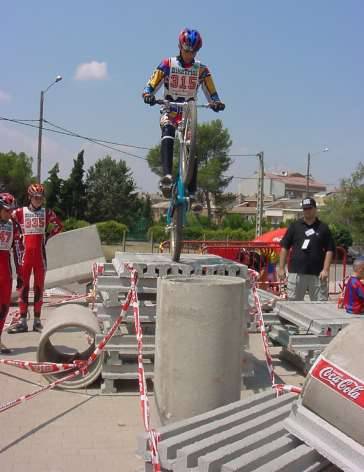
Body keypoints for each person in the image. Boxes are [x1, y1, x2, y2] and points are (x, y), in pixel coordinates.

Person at [142, 28, 225, 210]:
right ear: (180, 47)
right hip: (170, 108)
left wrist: (216, 102)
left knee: (191, 145)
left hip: (188, 113)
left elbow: (212, 91)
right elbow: (151, 84)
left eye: (193, 51)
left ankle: (193, 194)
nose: (189, 54)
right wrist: (148, 94)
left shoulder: (201, 69)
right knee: (168, 130)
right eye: (187, 50)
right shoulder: (167, 64)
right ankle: (166, 177)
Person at [8, 184, 63, 333]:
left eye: (40, 198)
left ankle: (37, 321)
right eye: (35, 197)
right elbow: (8, 223)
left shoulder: (47, 212)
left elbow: (59, 225)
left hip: (40, 257)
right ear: (29, 197)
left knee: (39, 288)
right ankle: (23, 321)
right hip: (24, 258)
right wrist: (17, 239)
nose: (38, 200)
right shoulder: (19, 212)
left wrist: (48, 237)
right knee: (23, 288)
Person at [278, 197, 335, 301]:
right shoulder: (294, 226)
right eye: (305, 209)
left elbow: (329, 249)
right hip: (296, 272)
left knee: (320, 304)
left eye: (309, 208)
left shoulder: (323, 227)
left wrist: (326, 269)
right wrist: (281, 268)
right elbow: (284, 247)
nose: (307, 211)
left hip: (318, 274)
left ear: (315, 209)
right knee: (293, 304)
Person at [0, 193, 22, 353]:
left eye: (10, 210)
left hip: (5, 270)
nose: (9, 213)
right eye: (6, 210)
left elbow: (17, 251)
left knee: (4, 307)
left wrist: (20, 273)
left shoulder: (13, 224)